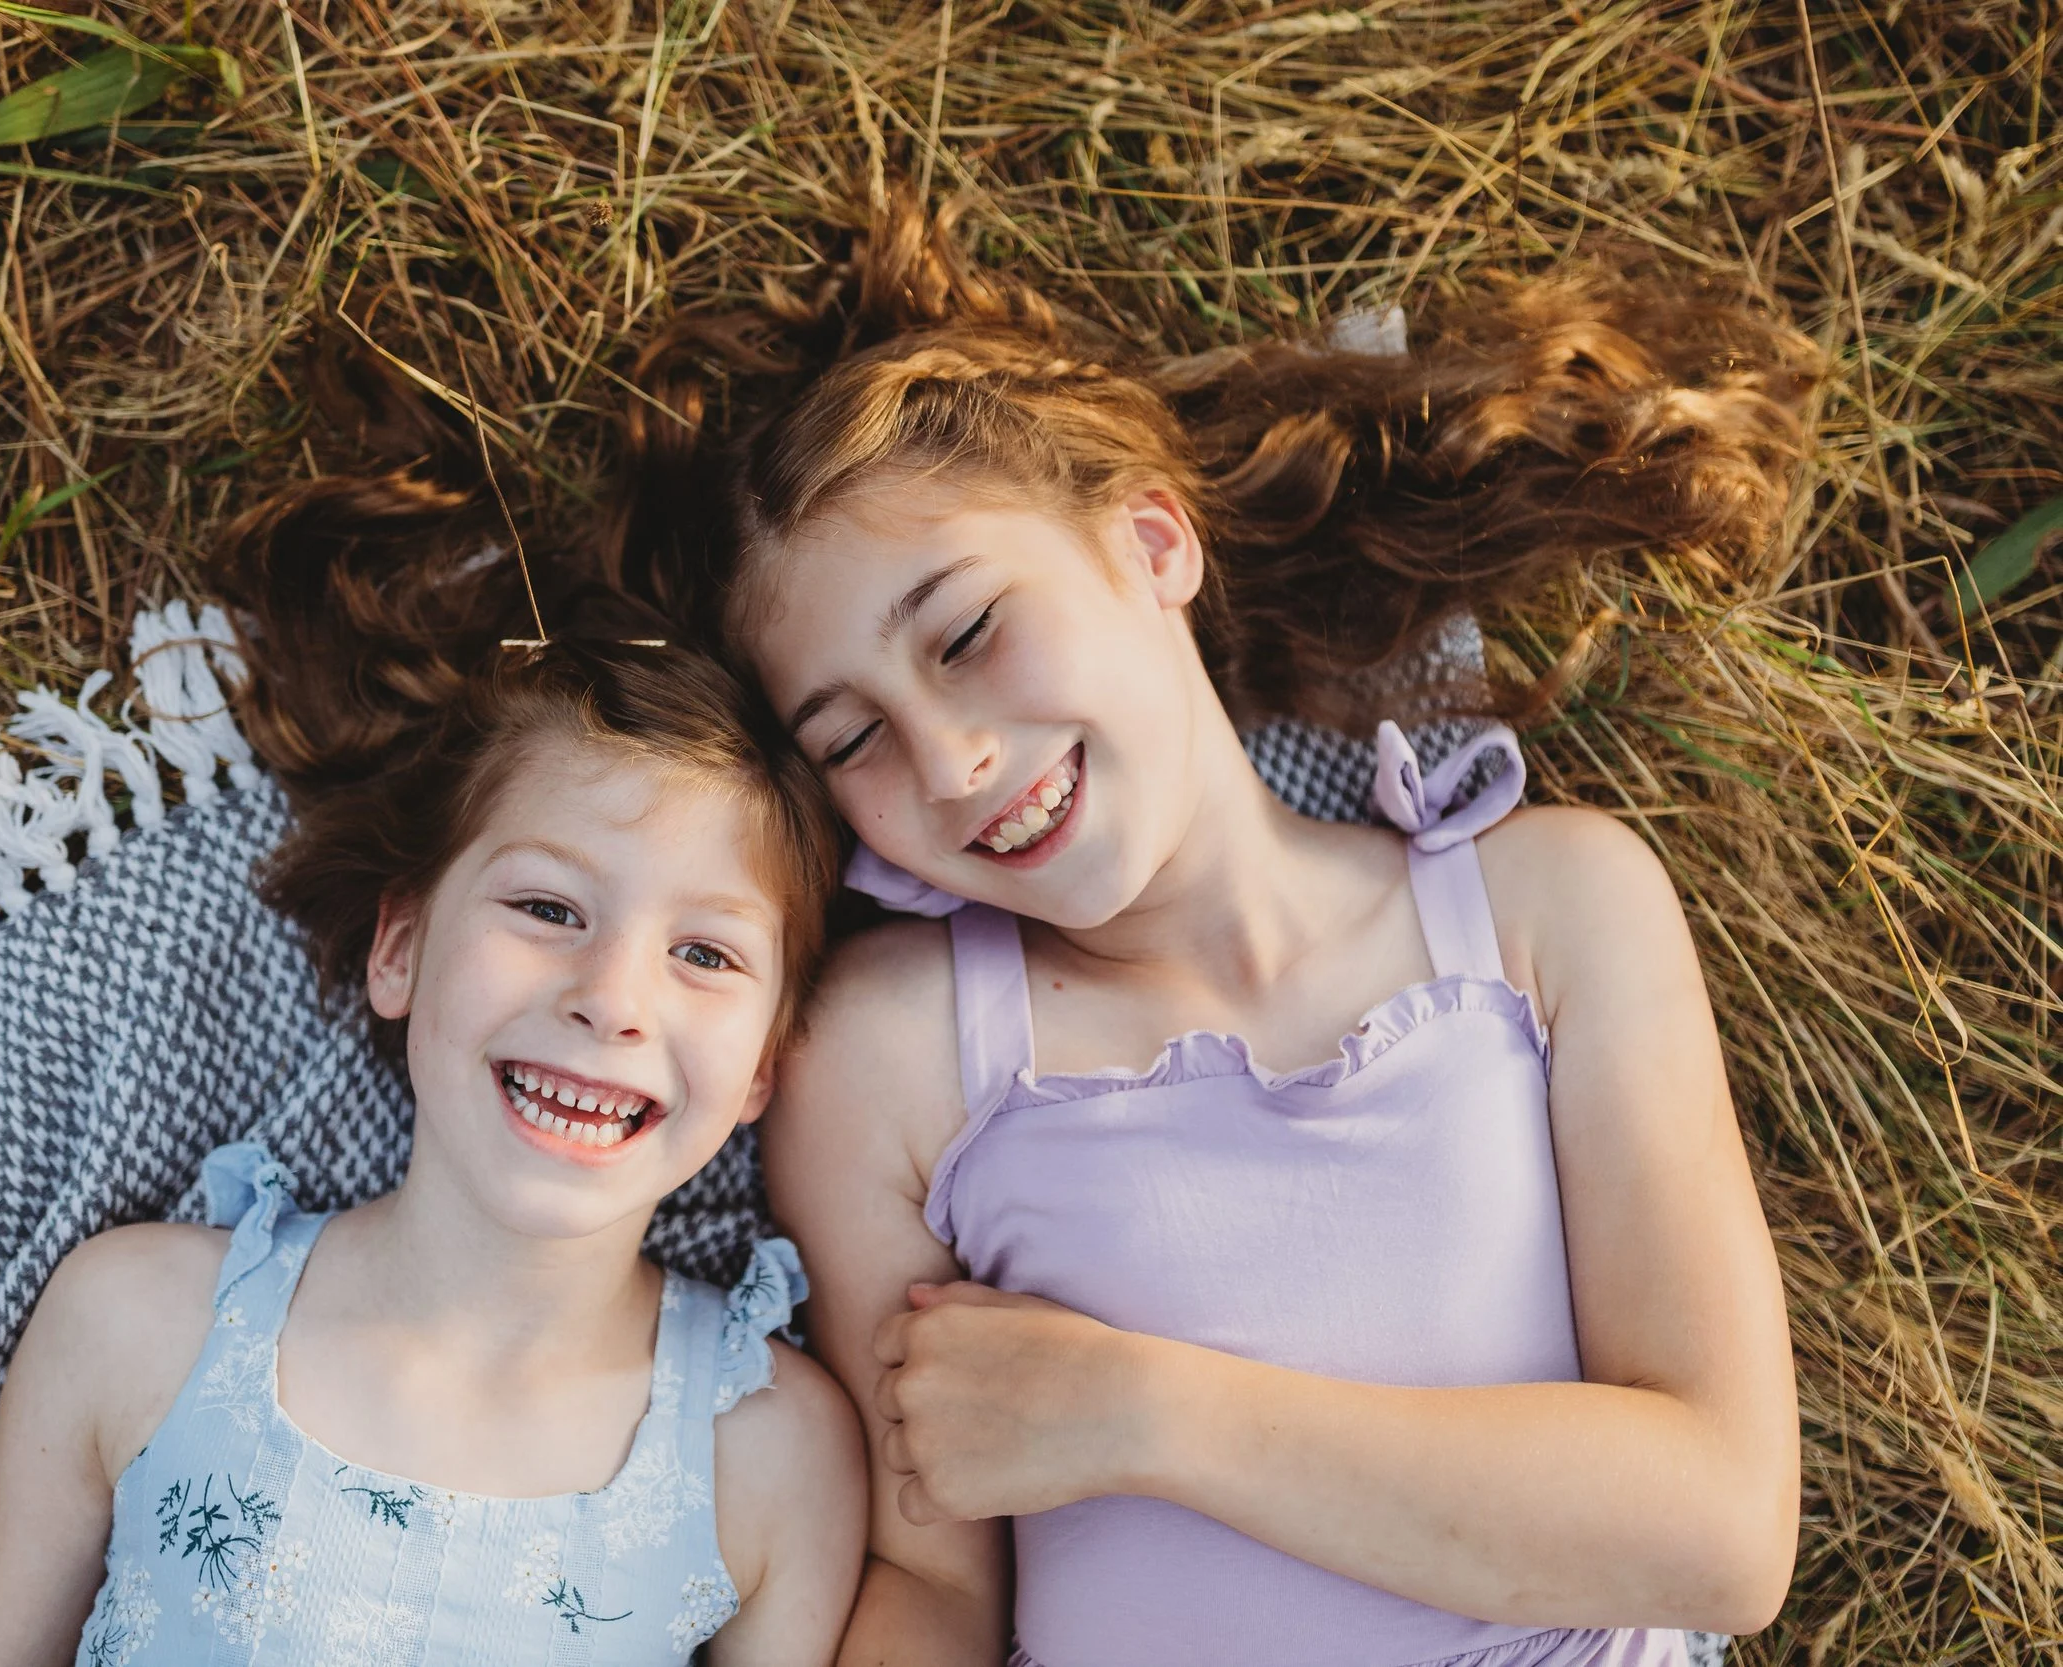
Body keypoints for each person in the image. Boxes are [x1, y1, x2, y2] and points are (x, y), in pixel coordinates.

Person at [623, 194, 1815, 1667]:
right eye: (852, 733)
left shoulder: (1542, 913)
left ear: (1149, 541)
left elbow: (1718, 1526)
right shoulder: (891, 1056)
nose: (949, 762)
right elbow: (933, 1586)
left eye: (969, 631)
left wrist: (1143, 1413)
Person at [0, 475, 865, 1665]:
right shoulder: (146, 1322)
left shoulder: (767, 1455)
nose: (611, 998)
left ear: (765, 1063)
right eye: (548, 905)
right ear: (400, 947)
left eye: (705, 952)